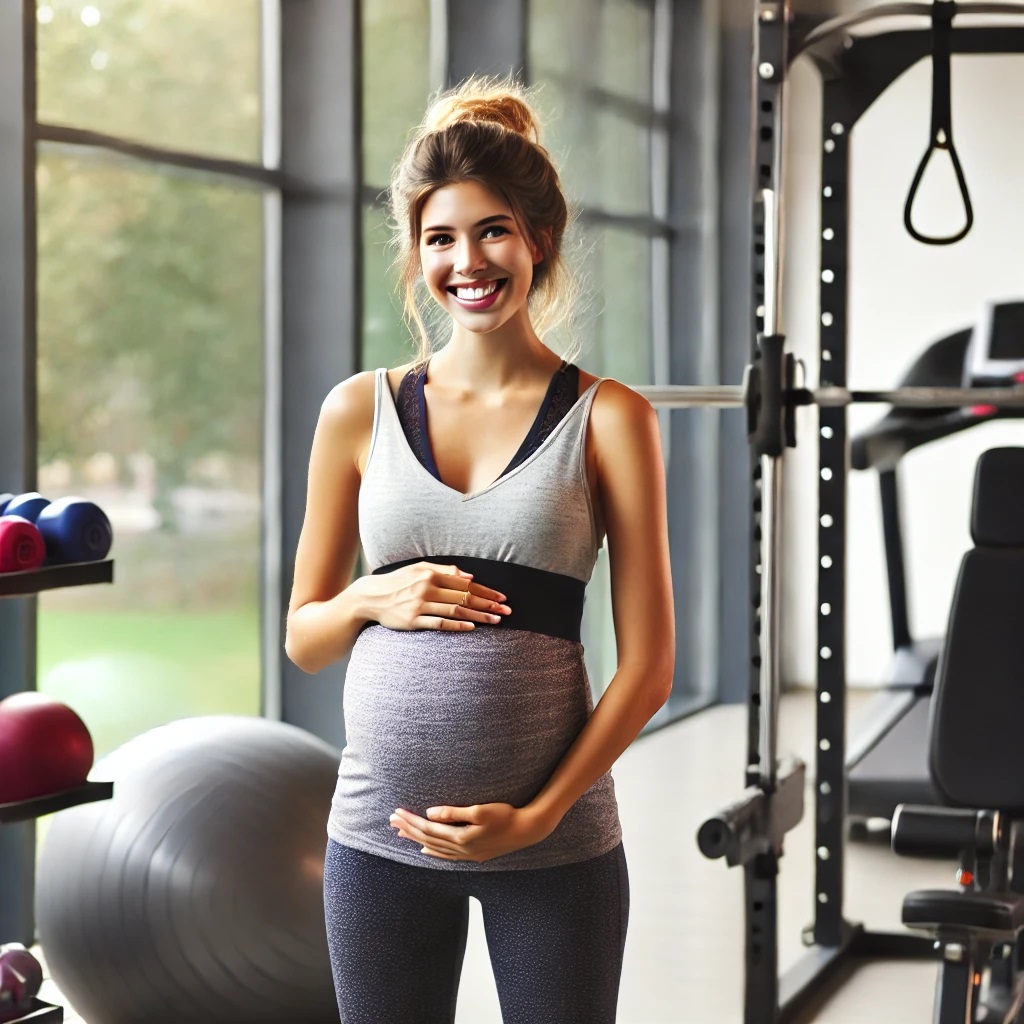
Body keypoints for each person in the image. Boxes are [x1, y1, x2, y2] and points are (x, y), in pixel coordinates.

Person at [285, 77, 675, 1024]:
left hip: (555, 848)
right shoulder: (356, 410)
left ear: (538, 239)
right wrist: (372, 600)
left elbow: (651, 666)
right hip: (377, 842)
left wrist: (536, 816)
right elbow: (305, 634)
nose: (470, 261)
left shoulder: (608, 417)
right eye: (441, 238)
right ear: (418, 255)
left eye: (493, 230)